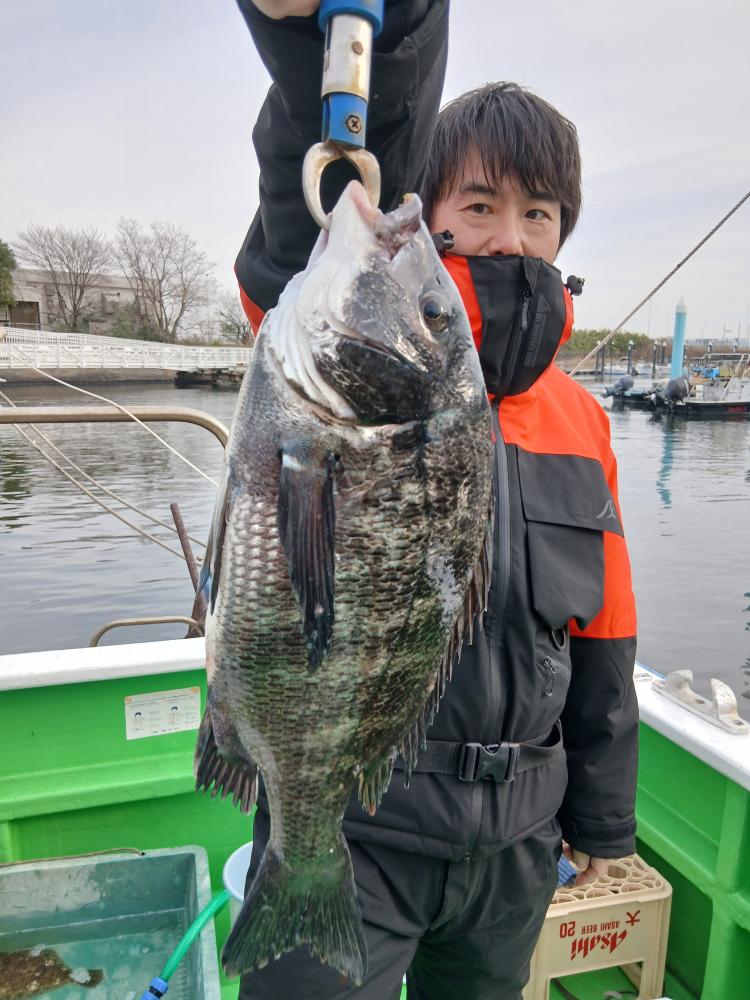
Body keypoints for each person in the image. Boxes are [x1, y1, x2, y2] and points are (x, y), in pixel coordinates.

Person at [231, 2, 638, 997]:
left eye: (538, 213)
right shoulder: (337, 325)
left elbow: (605, 634)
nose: (508, 234)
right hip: (362, 817)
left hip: (517, 845)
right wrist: (368, 27)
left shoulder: (583, 419)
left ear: (564, 231)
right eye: (479, 203)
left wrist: (602, 818)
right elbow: (316, 194)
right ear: (428, 202)